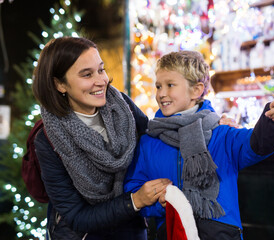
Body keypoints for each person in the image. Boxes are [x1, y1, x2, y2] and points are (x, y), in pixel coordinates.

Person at [123, 50, 274, 240]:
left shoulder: (222, 134)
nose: (162, 94)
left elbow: (258, 145)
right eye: (158, 86)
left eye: (170, 85)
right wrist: (156, 201)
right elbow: (133, 189)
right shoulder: (149, 141)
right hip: (172, 233)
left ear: (196, 90)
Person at [32, 36, 173, 239]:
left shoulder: (122, 106)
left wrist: (211, 123)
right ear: (60, 84)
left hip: (132, 228)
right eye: (87, 74)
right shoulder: (48, 139)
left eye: (101, 69)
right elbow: (76, 217)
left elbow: (156, 139)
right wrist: (134, 201)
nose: (101, 81)